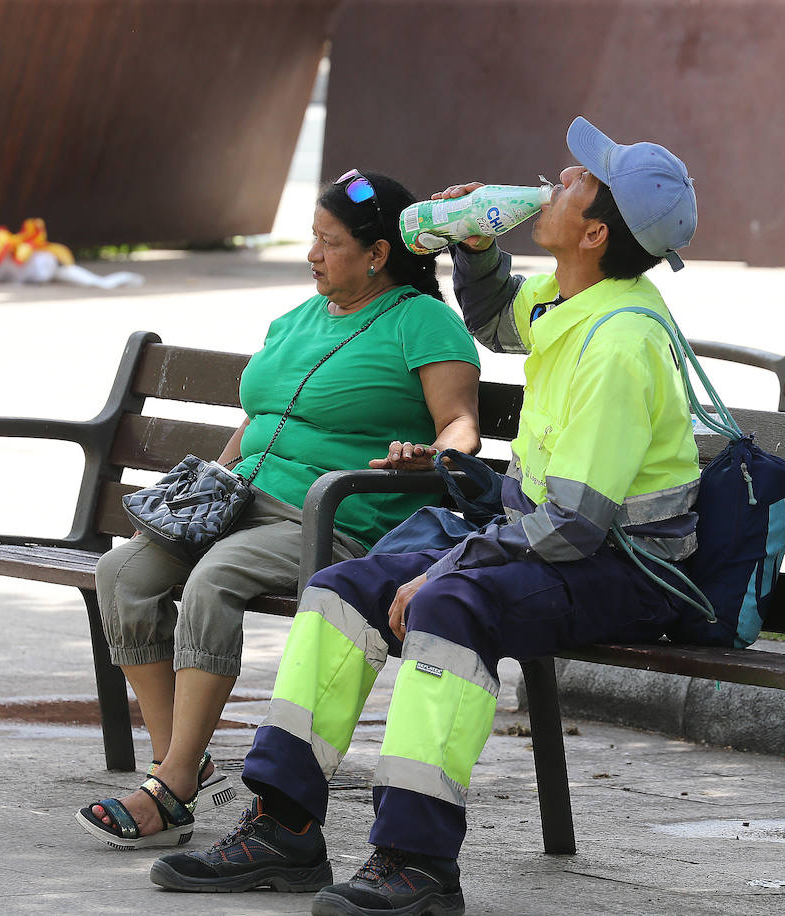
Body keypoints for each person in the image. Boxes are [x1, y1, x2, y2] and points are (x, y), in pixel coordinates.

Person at [149, 117, 703, 915]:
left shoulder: (620, 343)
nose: (560, 175)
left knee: (448, 606)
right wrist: (473, 244)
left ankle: (416, 862)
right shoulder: (576, 295)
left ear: (591, 231)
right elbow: (496, 320)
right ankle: (283, 825)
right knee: (344, 589)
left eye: (581, 179)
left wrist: (455, 562)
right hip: (549, 536)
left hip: (627, 566)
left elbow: (575, 529)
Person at [75, 170, 483, 849]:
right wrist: (213, 484)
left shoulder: (424, 321)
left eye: (329, 242)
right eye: (313, 240)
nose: (313, 255)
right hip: (240, 503)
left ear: (378, 253)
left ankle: (171, 786)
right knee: (123, 574)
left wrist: (431, 457)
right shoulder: (297, 319)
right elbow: (258, 417)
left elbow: (461, 425)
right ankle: (182, 757)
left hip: (330, 518)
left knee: (214, 579)